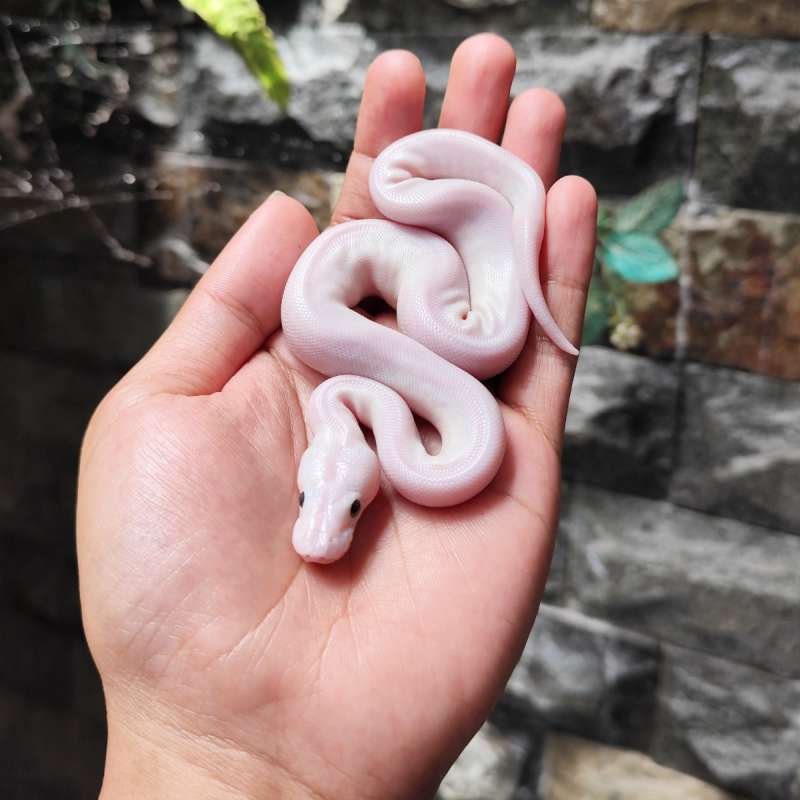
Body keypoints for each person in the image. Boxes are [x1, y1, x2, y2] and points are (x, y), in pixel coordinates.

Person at [77, 33, 597, 799]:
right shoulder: (360, 408)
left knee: (458, 303)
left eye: (339, 504)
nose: (326, 526)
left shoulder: (353, 402)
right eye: (346, 504)